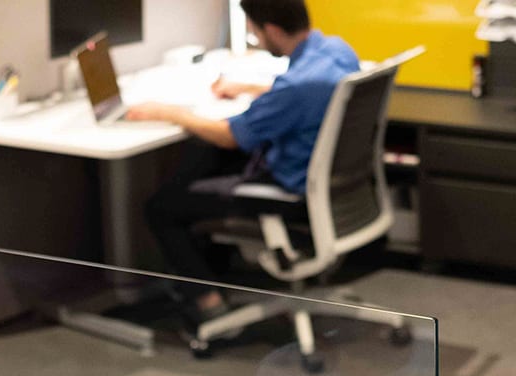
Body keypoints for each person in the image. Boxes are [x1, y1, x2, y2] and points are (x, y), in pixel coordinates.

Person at [126, 0, 358, 328]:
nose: (253, 38)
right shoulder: (335, 51)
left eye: (254, 31)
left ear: (273, 30)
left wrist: (168, 112)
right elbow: (308, 94)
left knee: (161, 206)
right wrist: (250, 89)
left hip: (290, 190)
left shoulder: (294, 88)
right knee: (204, 158)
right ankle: (215, 269)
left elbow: (230, 135)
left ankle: (208, 301)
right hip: (331, 185)